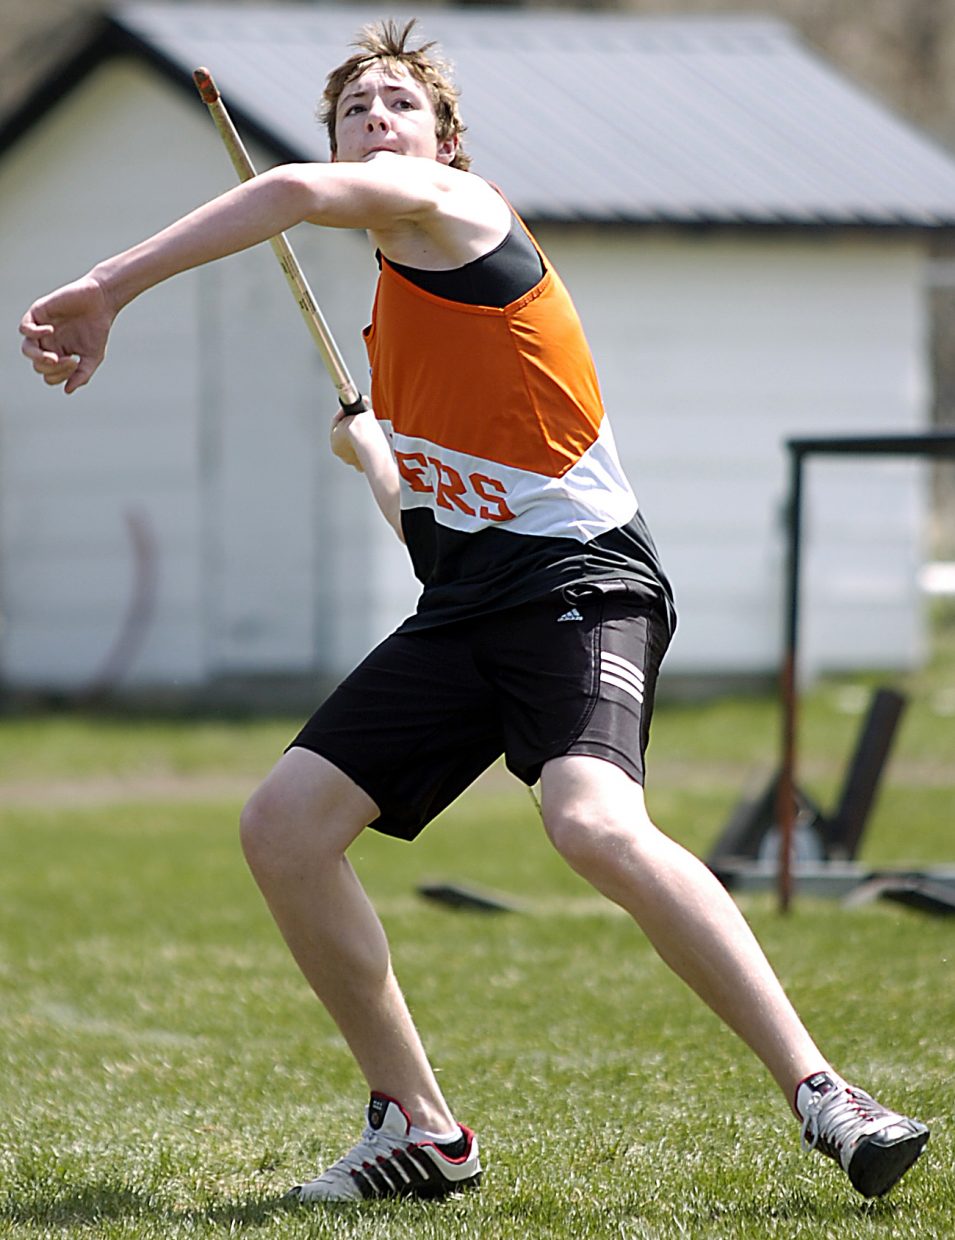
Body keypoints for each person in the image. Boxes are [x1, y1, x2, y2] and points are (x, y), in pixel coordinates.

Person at [20, 18, 928, 1206]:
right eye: (355, 108)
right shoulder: (395, 319)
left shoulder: (463, 212)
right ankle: (420, 1125)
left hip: (581, 584)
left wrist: (106, 287)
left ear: (446, 145)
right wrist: (375, 459)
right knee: (283, 827)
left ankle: (826, 1093)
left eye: (400, 103)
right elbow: (434, 533)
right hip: (468, 605)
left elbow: (291, 191)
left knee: (590, 825)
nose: (375, 118)